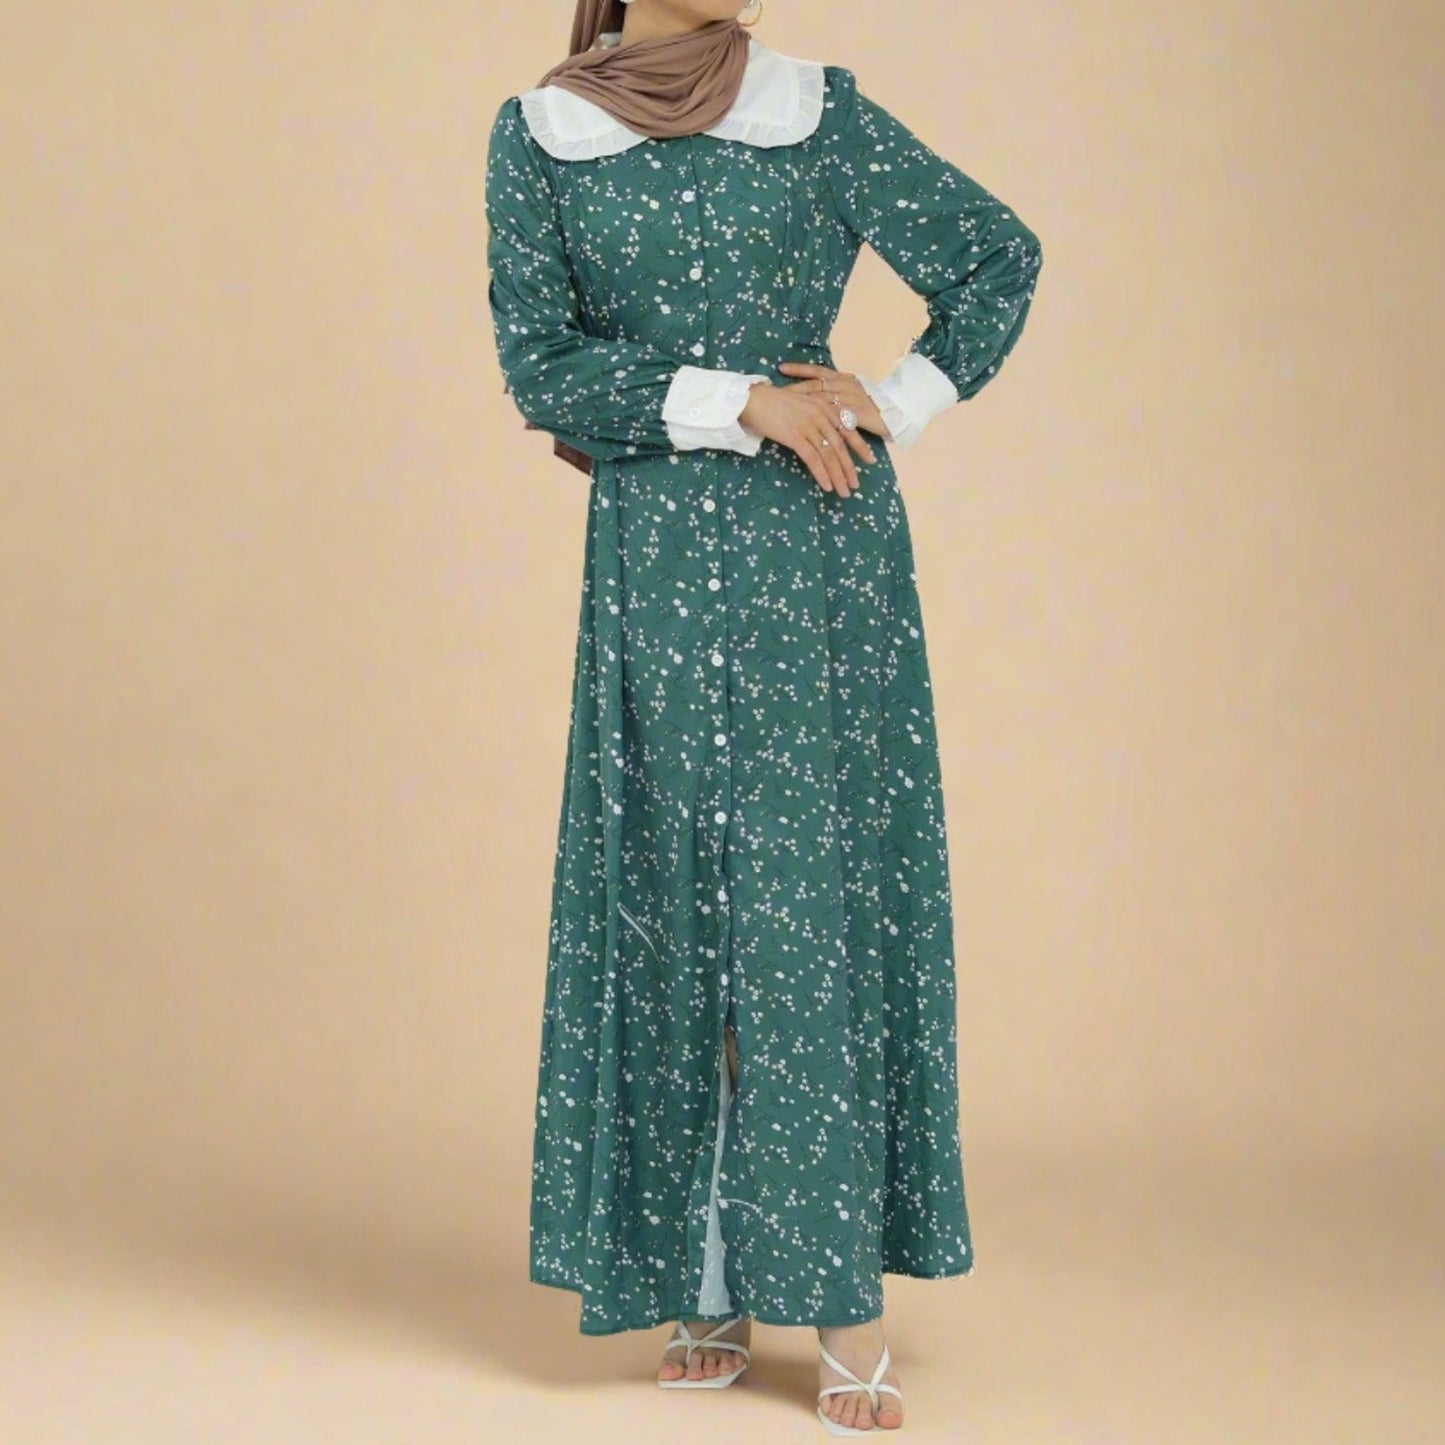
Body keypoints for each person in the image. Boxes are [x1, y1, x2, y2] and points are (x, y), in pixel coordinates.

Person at [484, 1, 1043, 1434]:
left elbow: (997, 255)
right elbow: (541, 365)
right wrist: (745, 402)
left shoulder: (816, 109)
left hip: (820, 552)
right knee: (677, 895)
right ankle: (705, 1277)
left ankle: (844, 1301)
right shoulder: (541, 134)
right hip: (660, 559)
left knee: (807, 904)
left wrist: (893, 401)